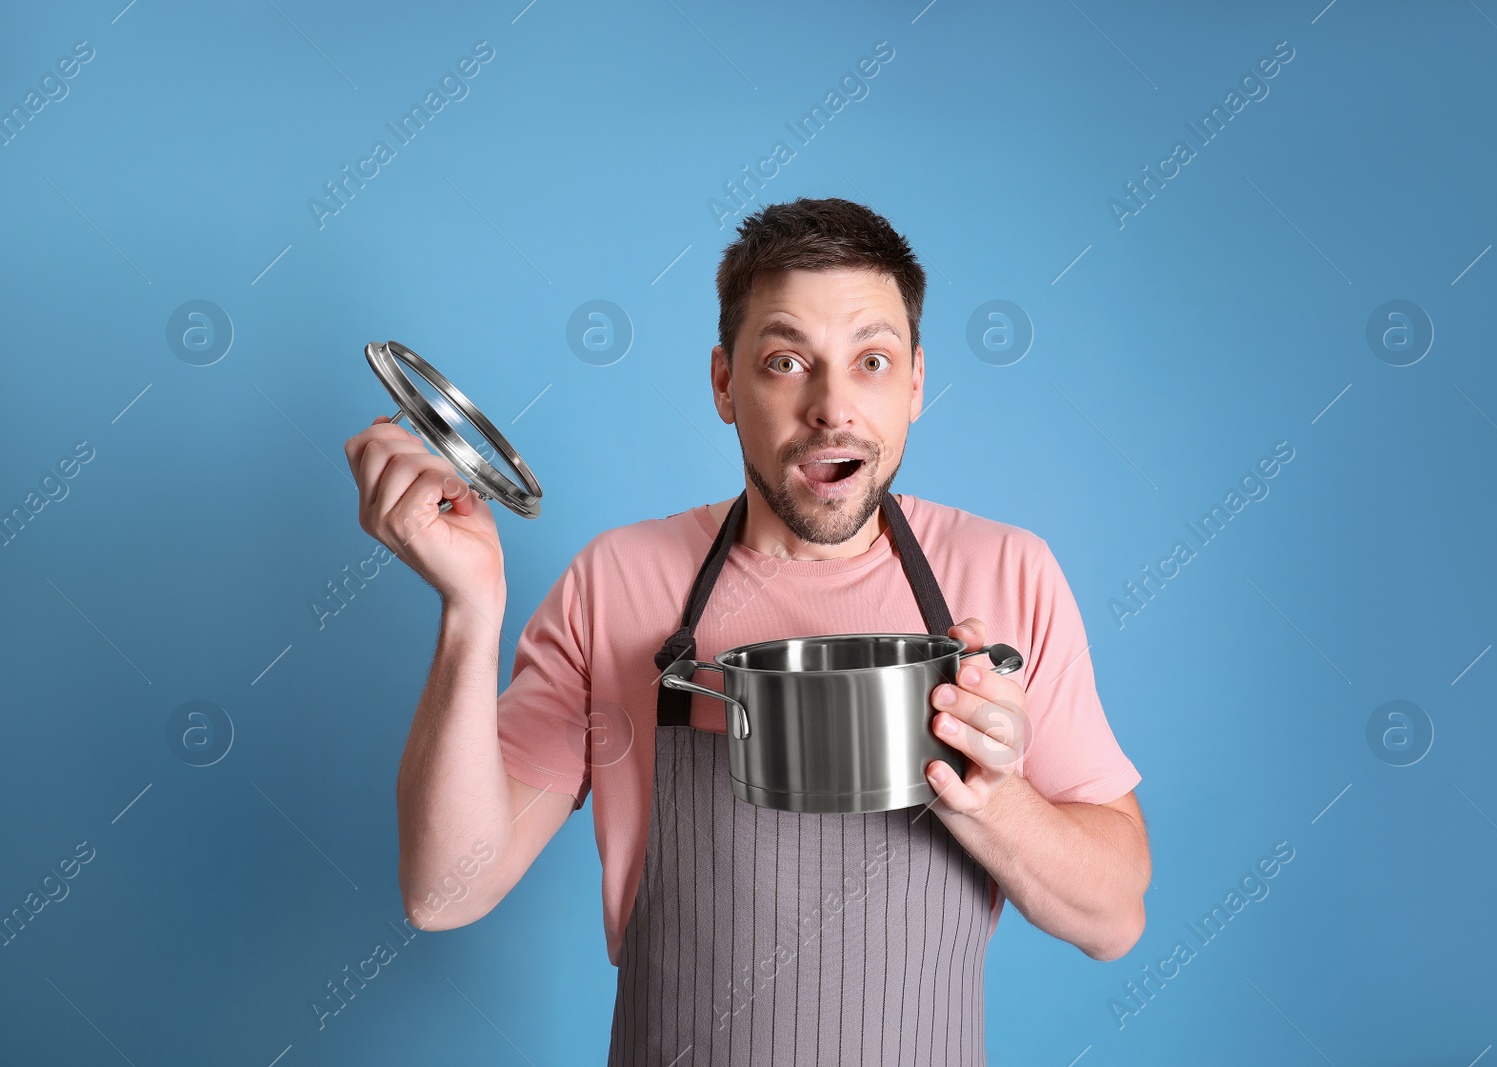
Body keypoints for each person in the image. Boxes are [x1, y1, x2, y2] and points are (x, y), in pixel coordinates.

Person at [344, 197, 1150, 1064]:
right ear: (725, 383)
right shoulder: (617, 581)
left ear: (917, 381)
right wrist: (470, 611)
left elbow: (1115, 920)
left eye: (871, 361)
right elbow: (441, 891)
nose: (832, 406)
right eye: (785, 360)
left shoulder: (1007, 576)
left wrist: (997, 801)